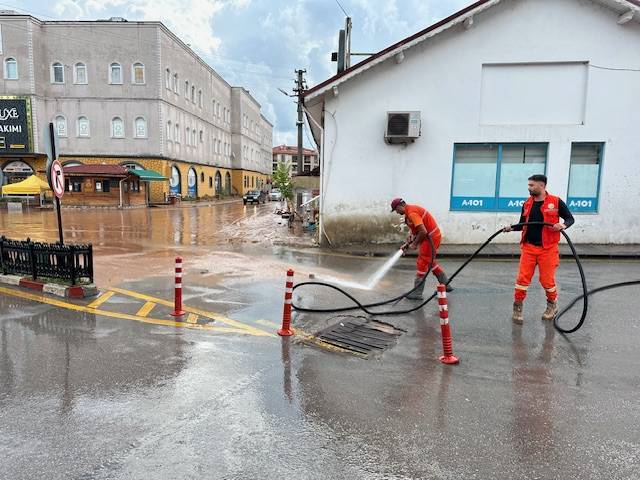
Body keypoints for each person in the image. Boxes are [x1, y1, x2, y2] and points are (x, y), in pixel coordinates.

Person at [503, 174, 575, 324]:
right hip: (529, 247)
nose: (529, 188)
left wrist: (562, 225)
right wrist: (511, 228)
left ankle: (552, 305)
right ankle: (517, 307)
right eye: (528, 185)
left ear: (541, 186)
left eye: (531, 185)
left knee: (547, 281)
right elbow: (523, 224)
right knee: (522, 280)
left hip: (548, 249)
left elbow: (570, 218)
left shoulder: (555, 202)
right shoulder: (527, 203)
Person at [391, 198, 452, 299]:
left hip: (431, 238)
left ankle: (417, 293)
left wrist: (414, 244)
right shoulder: (409, 212)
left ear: (399, 206)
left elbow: (423, 231)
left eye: (396, 210)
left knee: (422, 262)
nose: (397, 212)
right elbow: (416, 230)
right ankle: (446, 284)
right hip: (431, 237)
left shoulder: (412, 213)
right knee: (430, 262)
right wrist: (407, 243)